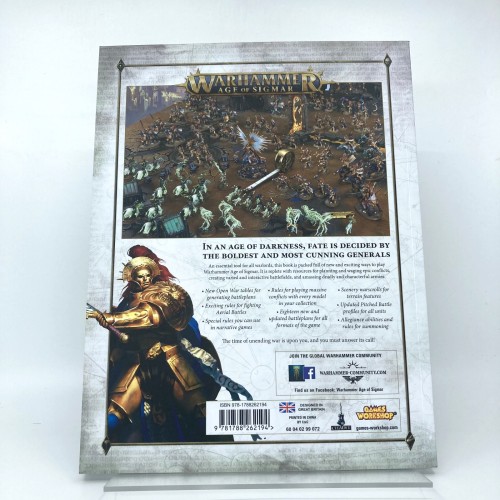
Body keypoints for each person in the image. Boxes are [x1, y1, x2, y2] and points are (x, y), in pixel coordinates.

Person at [87, 245, 230, 444]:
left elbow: (148, 316)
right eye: (140, 276)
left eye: (148, 275)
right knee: (113, 415)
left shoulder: (165, 294)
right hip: (139, 367)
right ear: (132, 277)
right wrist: (117, 350)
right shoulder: (127, 303)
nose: (145, 279)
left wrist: (111, 318)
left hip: (171, 364)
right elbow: (125, 337)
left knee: (202, 413)